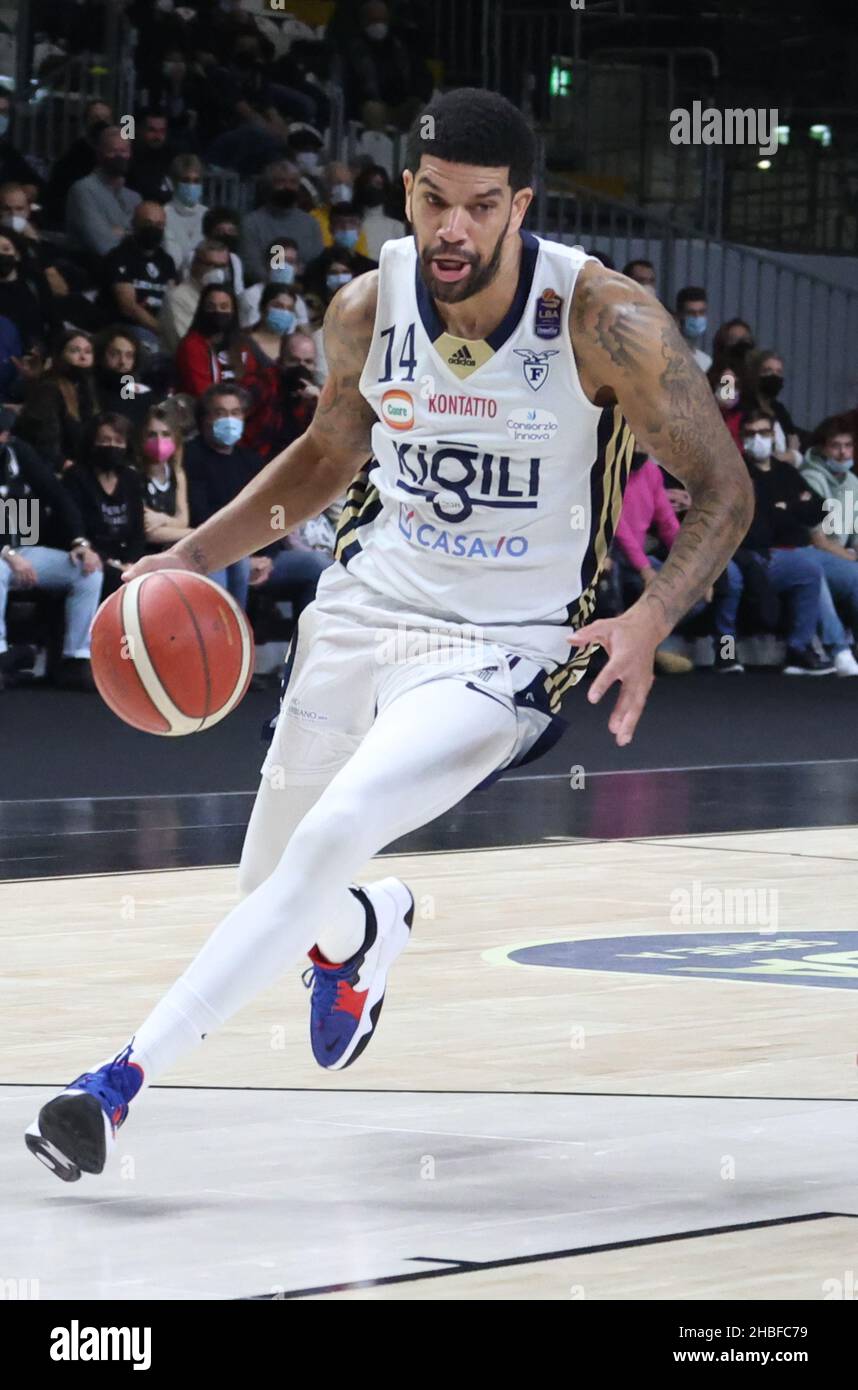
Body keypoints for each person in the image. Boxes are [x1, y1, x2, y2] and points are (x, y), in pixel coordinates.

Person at [25, 87, 755, 1183]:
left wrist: (652, 615)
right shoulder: (372, 306)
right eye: (430, 200)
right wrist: (191, 558)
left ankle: (114, 1084)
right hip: (364, 611)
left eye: (476, 206)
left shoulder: (605, 322)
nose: (449, 228)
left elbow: (725, 487)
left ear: (521, 208)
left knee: (332, 833)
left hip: (505, 646)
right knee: (272, 880)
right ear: (407, 190)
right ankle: (365, 928)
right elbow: (326, 456)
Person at [739, 408, 853, 675]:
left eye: (764, 433)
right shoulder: (740, 473)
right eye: (752, 434)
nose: (759, 439)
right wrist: (793, 506)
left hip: (805, 546)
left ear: (774, 436)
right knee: (809, 569)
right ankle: (838, 650)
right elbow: (764, 523)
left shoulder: (785, 471)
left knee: (855, 575)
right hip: (775, 553)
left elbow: (819, 508)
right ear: (743, 438)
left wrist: (785, 507)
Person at [0, 407, 103, 691]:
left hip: (22, 548)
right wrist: (7, 554)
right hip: (3, 558)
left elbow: (57, 495)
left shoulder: (17, 452)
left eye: (4, 432)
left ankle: (76, 659)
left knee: (88, 571)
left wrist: (80, 542)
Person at [181, 384, 266, 609]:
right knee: (231, 566)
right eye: (220, 413)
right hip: (210, 547)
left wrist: (267, 556)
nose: (230, 419)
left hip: (254, 551)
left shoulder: (252, 460)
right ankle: (231, 640)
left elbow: (268, 511)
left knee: (314, 564)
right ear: (204, 419)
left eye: (235, 413)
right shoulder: (190, 456)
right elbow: (201, 515)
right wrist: (246, 554)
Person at [62, 413, 146, 595]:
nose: (112, 446)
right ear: (92, 443)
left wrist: (131, 562)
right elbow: (75, 527)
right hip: (92, 558)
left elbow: (138, 532)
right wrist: (112, 563)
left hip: (126, 562)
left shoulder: (131, 478)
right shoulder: (76, 477)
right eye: (105, 440)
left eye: (118, 441)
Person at [800, 415, 858, 643]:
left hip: (843, 557)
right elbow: (817, 540)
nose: (843, 453)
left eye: (848, 446)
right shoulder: (809, 478)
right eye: (835, 446)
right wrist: (851, 558)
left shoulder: (853, 482)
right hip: (815, 556)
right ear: (823, 449)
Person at [339, 0, 433, 131]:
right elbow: (352, 90)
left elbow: (421, 77)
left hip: (400, 106)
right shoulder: (355, 50)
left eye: (383, 20)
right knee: (373, 109)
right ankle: (378, 149)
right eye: (374, 20)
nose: (379, 25)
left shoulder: (399, 46)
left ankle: (422, 149)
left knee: (423, 110)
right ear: (364, 22)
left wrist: (416, 96)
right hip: (371, 107)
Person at [15, 330, 99, 469]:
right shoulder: (50, 389)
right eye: (75, 351)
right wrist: (65, 465)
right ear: (59, 356)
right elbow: (44, 441)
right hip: (53, 469)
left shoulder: (88, 390)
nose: (83, 357)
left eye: (88, 352)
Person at [102, 202, 176, 351]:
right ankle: (126, 377)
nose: (154, 229)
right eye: (148, 223)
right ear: (134, 224)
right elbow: (128, 307)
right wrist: (162, 331)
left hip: (159, 328)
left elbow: (172, 300)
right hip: (127, 329)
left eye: (159, 225)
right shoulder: (119, 256)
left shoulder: (167, 261)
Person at [239, 160, 324, 286]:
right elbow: (252, 267)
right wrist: (277, 282)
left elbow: (316, 264)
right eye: (280, 182)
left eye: (293, 182)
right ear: (269, 185)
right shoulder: (251, 223)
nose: (287, 187)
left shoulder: (311, 223)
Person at [65, 127, 141, 260]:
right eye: (113, 151)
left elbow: (147, 244)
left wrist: (120, 233)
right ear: (99, 154)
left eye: (124, 151)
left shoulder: (135, 198)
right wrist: (131, 234)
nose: (119, 156)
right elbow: (103, 245)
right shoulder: (83, 190)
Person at [158, 238, 232, 354]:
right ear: (195, 264)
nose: (218, 272)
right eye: (210, 265)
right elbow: (187, 345)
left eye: (222, 266)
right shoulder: (178, 297)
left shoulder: (227, 296)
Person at [135, 405, 192, 552]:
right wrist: (195, 534)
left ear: (176, 439)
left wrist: (161, 519)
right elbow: (149, 531)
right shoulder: (133, 475)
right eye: (152, 434)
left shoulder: (177, 473)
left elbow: (183, 521)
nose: (159, 441)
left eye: (166, 434)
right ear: (142, 438)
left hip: (173, 548)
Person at [175, 284, 249, 396]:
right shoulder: (192, 345)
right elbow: (202, 392)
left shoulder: (243, 345)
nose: (217, 311)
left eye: (224, 307)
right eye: (211, 307)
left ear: (233, 311)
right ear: (202, 310)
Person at [45, 100, 112, 222]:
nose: (101, 122)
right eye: (95, 118)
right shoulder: (69, 161)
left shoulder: (117, 158)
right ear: (85, 122)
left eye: (106, 118)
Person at [741, 348, 803, 465]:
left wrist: (791, 455)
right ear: (756, 374)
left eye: (778, 372)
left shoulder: (779, 408)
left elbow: (793, 440)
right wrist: (790, 456)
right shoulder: (745, 406)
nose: (774, 376)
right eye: (767, 371)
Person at [304, 203, 377, 297]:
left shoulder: (370, 269)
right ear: (330, 228)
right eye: (340, 223)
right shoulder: (315, 266)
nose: (346, 228)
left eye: (352, 223)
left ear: (359, 229)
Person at [92, 327, 154, 431]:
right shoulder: (88, 389)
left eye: (129, 356)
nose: (122, 362)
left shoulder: (144, 395)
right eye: (114, 354)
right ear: (101, 355)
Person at [238, 238, 308, 329]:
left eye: (290, 262)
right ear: (267, 264)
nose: (283, 266)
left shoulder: (298, 300)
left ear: (297, 268)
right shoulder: (251, 296)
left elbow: (305, 332)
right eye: (278, 261)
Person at [162, 154, 207, 280]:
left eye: (196, 181)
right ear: (174, 183)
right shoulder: (163, 214)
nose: (191, 186)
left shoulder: (208, 215)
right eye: (186, 180)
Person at [352, 163, 405, 259]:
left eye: (378, 184)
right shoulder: (350, 223)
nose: (373, 188)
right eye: (369, 184)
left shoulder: (396, 227)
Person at [126, 111, 174, 205]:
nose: (158, 136)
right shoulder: (128, 160)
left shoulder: (172, 158)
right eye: (152, 130)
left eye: (162, 131)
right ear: (139, 130)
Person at [675, 286, 711, 371]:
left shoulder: (706, 361)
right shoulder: (668, 357)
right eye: (691, 313)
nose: (697, 317)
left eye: (701, 312)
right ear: (679, 316)